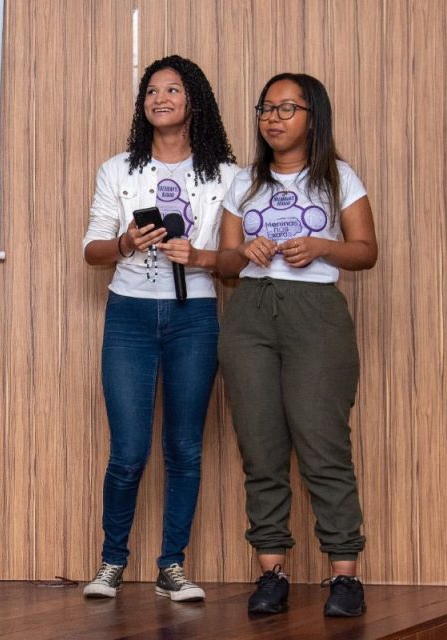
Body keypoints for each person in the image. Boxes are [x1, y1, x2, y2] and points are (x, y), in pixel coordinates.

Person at [216, 73, 378, 617]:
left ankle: (344, 577)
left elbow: (366, 252)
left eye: (287, 108)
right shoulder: (244, 182)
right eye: (266, 107)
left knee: (322, 443)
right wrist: (247, 252)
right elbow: (225, 264)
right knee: (260, 446)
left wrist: (322, 246)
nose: (273, 118)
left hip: (316, 316)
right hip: (251, 316)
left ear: (314, 116)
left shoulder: (339, 178)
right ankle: (272, 573)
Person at [81, 55, 239, 602]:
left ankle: (172, 565)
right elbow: (91, 251)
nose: (160, 98)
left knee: (184, 449)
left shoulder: (228, 176)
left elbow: (238, 263)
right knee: (127, 451)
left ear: (194, 99)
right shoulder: (117, 169)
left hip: (195, 318)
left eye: (172, 89)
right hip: (128, 315)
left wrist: (198, 255)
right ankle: (110, 562)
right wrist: (127, 242)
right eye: (151, 91)